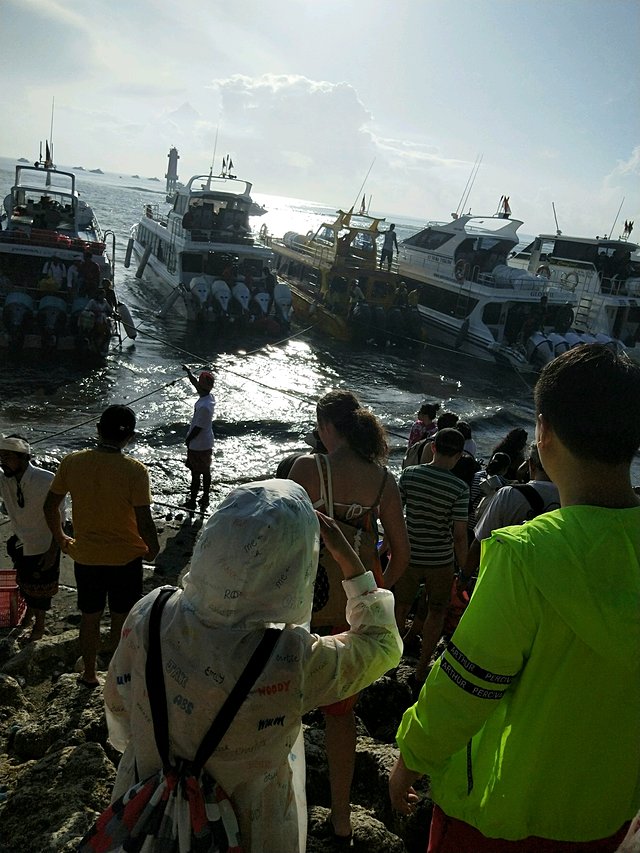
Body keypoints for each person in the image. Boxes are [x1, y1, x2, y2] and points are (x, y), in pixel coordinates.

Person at [390, 344, 640, 852]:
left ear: (543, 433)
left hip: (495, 815)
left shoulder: (525, 555)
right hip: (603, 816)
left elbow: (466, 687)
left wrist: (410, 760)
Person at [104, 479, 402, 853]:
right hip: (252, 828)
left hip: (146, 805)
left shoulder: (151, 611)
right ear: (298, 564)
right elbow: (383, 644)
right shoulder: (291, 659)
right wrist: (352, 564)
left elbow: (118, 705)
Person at [288, 389, 410, 841]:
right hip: (349, 614)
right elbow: (401, 556)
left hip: (301, 604)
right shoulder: (382, 481)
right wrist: (372, 595)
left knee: (285, 707)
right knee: (341, 718)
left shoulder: (307, 468)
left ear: (326, 427)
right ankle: (341, 820)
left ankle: (282, 808)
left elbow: (279, 532)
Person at [44, 405, 159, 688]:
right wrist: (153, 549)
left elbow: (50, 506)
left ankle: (89, 674)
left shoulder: (72, 462)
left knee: (90, 616)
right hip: (126, 559)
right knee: (121, 617)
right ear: (129, 437)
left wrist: (60, 538)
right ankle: (115, 675)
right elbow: (144, 519)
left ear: (98, 430)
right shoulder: (135, 470)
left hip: (88, 558)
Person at [395, 428, 469, 688]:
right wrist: (464, 570)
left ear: (433, 447)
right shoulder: (459, 488)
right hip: (440, 561)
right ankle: (420, 669)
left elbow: (394, 516)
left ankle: (390, 662)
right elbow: (460, 535)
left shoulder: (410, 475)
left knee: (401, 607)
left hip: (410, 555)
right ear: (459, 455)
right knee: (436, 611)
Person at [464, 441, 560, 577]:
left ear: (531, 464)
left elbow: (479, 542)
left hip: (507, 577)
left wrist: (464, 577)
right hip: (550, 578)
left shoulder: (509, 494)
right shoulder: (570, 497)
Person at [0, 435, 62, 642]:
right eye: (1, 457)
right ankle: (28, 616)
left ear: (24, 457)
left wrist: (53, 550)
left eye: (8, 457)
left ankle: (40, 626)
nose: (3, 461)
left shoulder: (46, 480)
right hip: (21, 540)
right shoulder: (4, 480)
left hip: (44, 542)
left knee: (43, 589)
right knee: (24, 581)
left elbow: (62, 517)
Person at [182, 364, 215, 508]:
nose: (196, 386)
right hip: (206, 443)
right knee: (205, 471)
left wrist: (188, 440)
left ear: (202, 387)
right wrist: (188, 372)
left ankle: (193, 501)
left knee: (196, 474)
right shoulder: (208, 396)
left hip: (198, 445)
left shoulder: (204, 406)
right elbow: (195, 383)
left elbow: (198, 428)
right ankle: (205, 498)